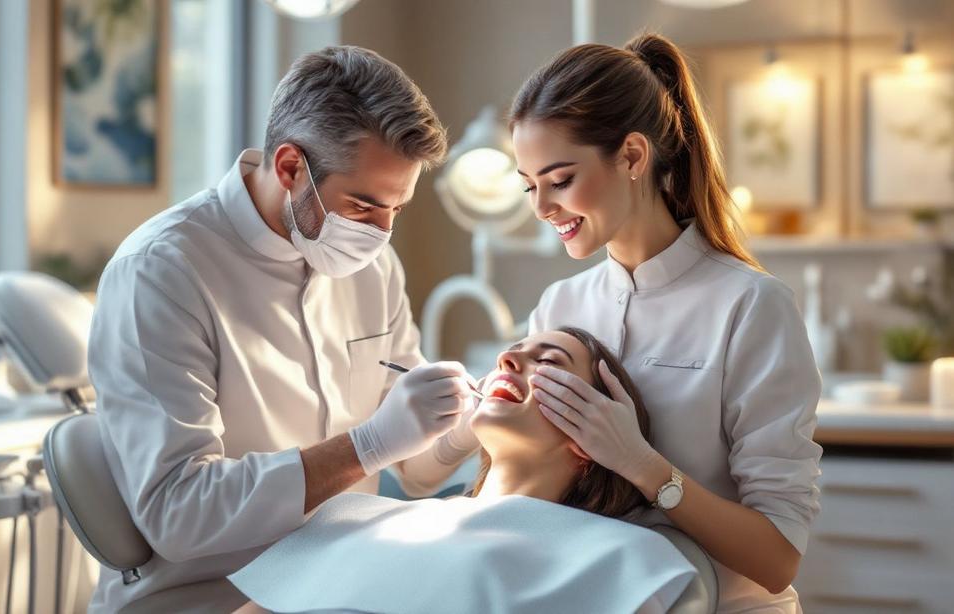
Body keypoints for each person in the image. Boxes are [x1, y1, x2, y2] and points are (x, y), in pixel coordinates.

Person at [87, 46, 482, 612]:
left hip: (340, 581)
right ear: (291, 167)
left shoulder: (374, 269)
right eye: (364, 206)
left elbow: (416, 474)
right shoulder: (161, 271)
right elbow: (178, 513)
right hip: (209, 596)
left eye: (398, 209)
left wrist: (460, 428)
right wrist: (367, 444)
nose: (381, 233)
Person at [512, 33, 823, 612]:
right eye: (529, 185)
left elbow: (777, 560)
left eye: (560, 180)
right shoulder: (559, 306)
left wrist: (643, 466)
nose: (541, 207)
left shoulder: (750, 305)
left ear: (633, 156)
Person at [230, 328, 698, 614]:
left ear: (593, 435)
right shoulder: (361, 520)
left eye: (548, 362)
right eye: (512, 351)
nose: (507, 360)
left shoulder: (618, 560)